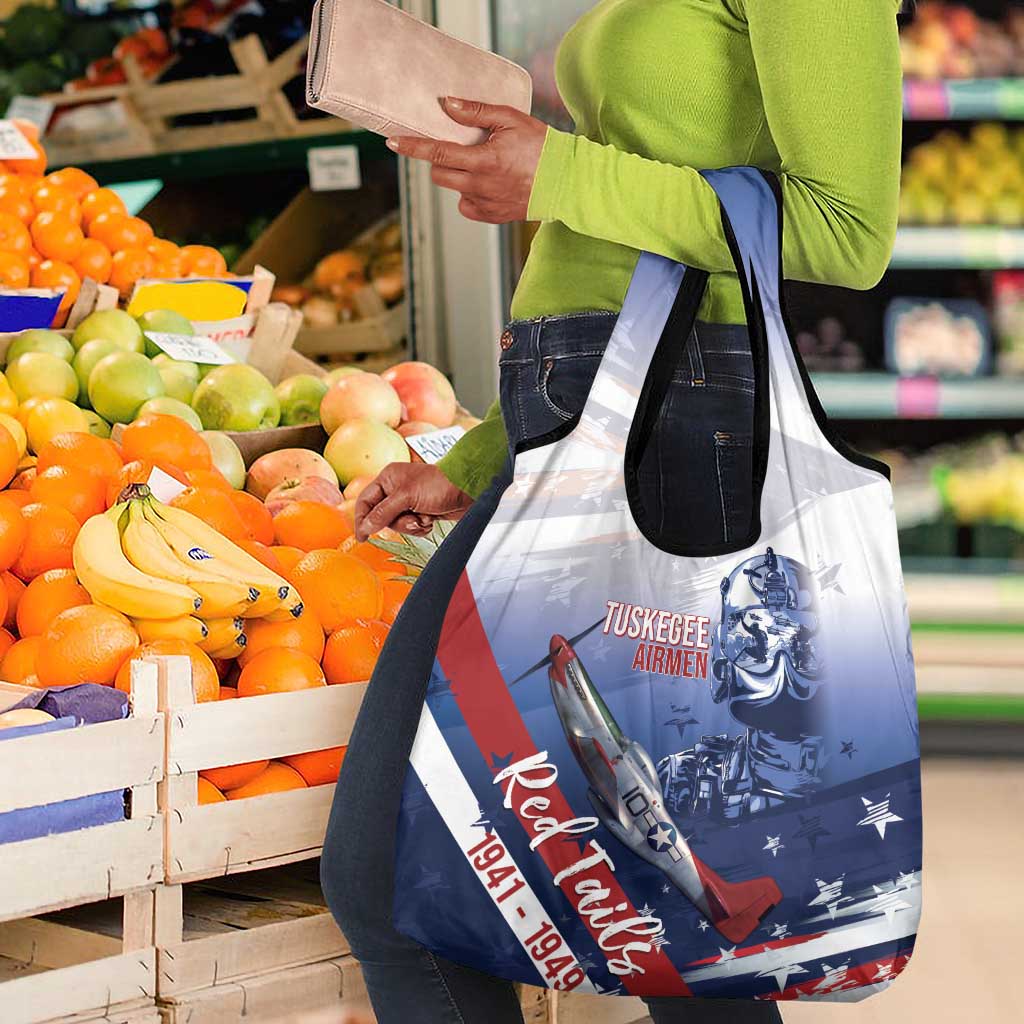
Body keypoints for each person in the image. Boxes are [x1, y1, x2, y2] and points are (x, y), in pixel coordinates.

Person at [321, 2, 905, 1021]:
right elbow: (622, 238)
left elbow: (847, 230)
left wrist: (559, 172)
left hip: (675, 445)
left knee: (422, 877)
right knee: (643, 920)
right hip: (588, 429)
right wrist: (484, 453)